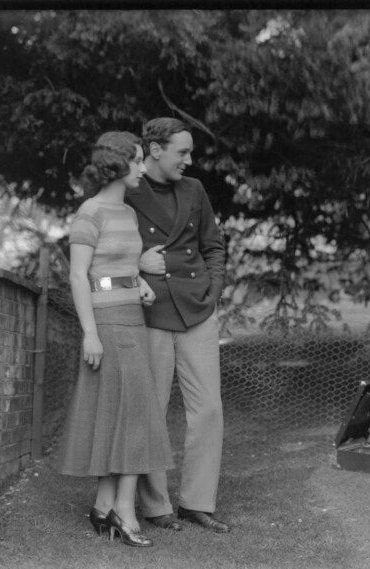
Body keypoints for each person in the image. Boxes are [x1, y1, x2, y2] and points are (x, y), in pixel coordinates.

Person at [58, 131, 175, 548]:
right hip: (106, 324)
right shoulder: (90, 213)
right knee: (136, 414)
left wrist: (138, 281)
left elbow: (120, 264)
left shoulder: (126, 212)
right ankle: (124, 511)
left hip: (133, 319)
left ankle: (104, 506)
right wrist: (90, 334)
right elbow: (79, 276)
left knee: (124, 412)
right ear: (117, 163)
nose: (143, 167)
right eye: (138, 160)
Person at [125, 117, 230, 533]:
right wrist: (136, 263)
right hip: (151, 311)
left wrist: (212, 290)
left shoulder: (194, 189)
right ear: (155, 150)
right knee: (151, 408)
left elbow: (213, 246)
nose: (188, 160)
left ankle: (197, 502)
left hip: (197, 309)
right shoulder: (128, 188)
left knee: (209, 410)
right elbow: (101, 247)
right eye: (181, 152)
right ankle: (156, 506)